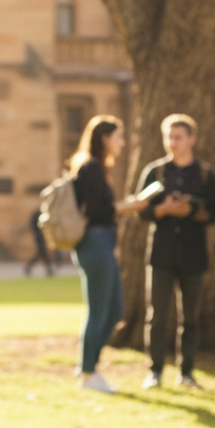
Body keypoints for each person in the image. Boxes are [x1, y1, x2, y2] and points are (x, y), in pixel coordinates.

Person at [137, 113, 215, 389]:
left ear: (191, 139)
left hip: (193, 253)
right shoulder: (155, 172)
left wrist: (191, 211)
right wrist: (164, 210)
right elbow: (142, 209)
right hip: (161, 252)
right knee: (157, 314)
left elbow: (214, 212)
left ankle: (186, 372)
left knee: (191, 317)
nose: (172, 143)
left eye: (178, 137)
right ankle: (155, 371)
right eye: (168, 137)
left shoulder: (206, 174)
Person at [70, 116, 147, 393]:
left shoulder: (99, 168)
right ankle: (88, 373)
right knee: (99, 311)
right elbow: (95, 212)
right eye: (118, 138)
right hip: (94, 243)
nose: (122, 144)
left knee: (115, 310)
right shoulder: (90, 168)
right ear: (104, 139)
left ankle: (88, 366)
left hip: (103, 243)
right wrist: (129, 206)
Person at [24, 207, 54, 277]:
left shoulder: (38, 214)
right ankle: (29, 268)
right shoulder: (39, 214)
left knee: (43, 254)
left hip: (40, 236)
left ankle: (49, 270)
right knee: (41, 253)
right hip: (39, 237)